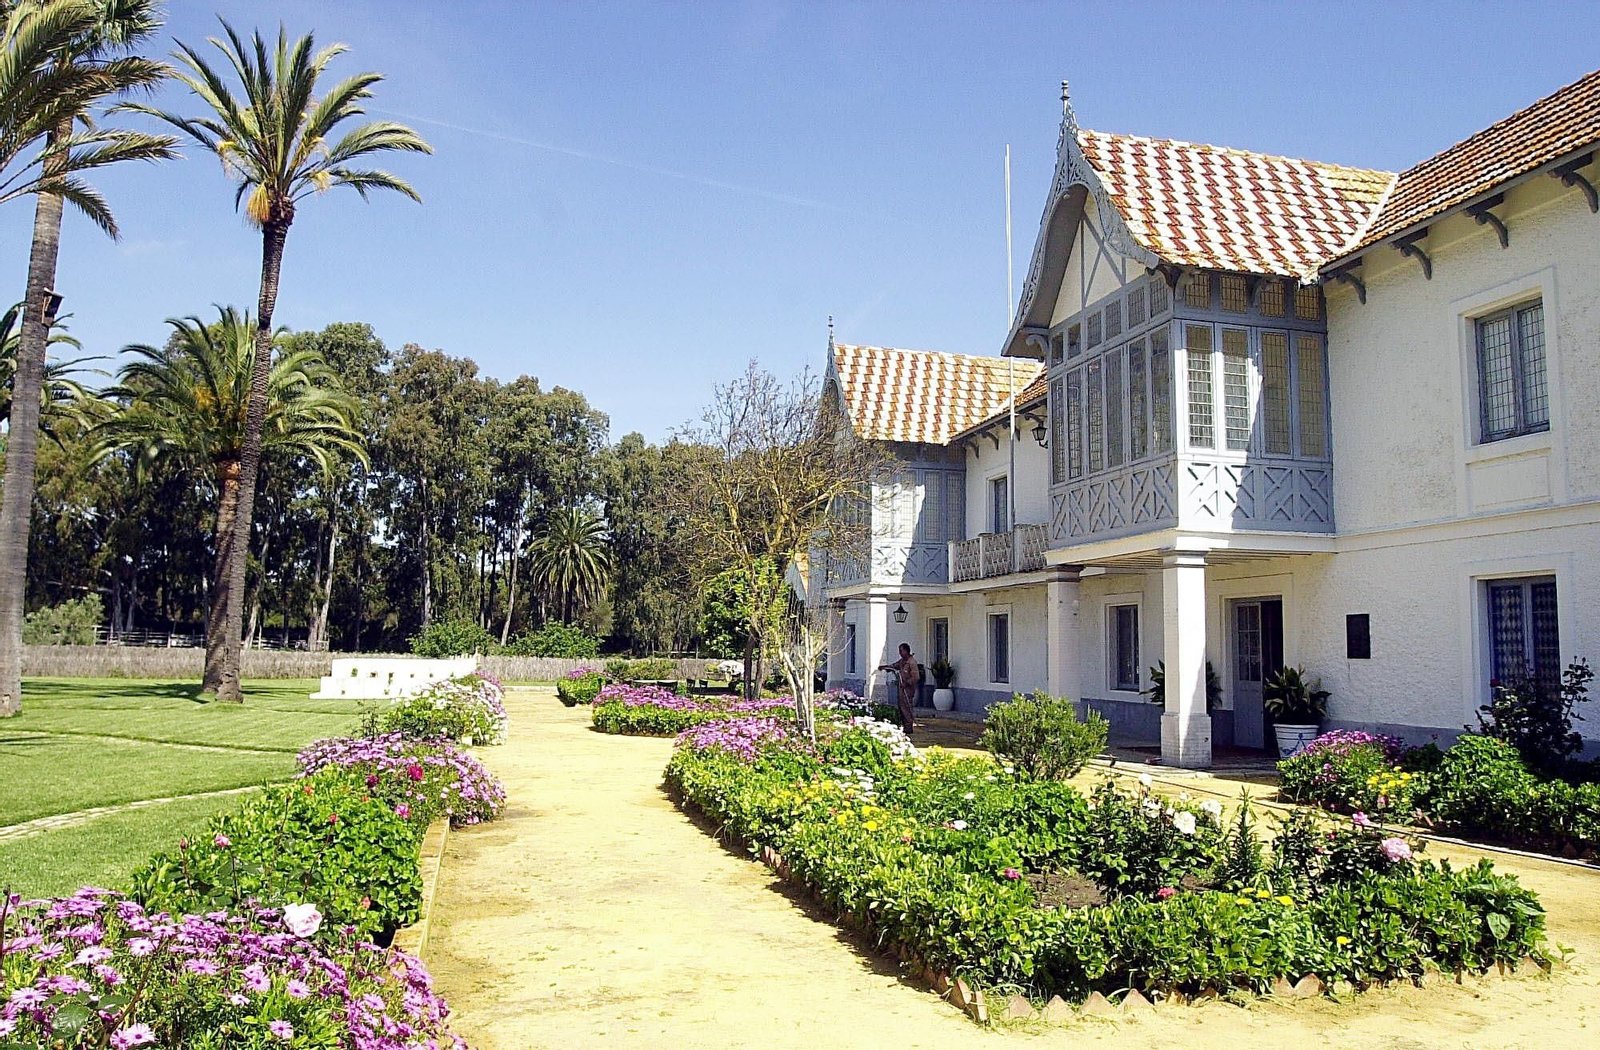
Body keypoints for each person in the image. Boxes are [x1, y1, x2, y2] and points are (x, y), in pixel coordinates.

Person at [878, 643, 920, 736]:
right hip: (901, 688)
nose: (900, 653)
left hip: (908, 689)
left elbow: (916, 677)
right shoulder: (902, 662)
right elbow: (894, 666)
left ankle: (909, 727)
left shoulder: (912, 662)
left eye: (901, 651)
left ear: (906, 651)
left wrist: (907, 683)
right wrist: (885, 667)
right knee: (901, 707)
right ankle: (905, 726)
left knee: (907, 707)